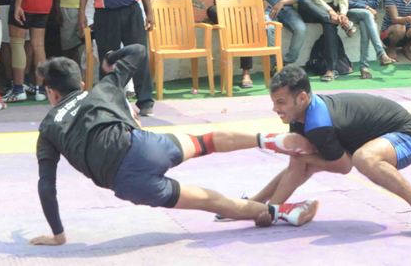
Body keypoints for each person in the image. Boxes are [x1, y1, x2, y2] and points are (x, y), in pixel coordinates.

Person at [28, 45, 318, 246]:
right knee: (207, 141)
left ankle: (280, 212)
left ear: (52, 93)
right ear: (80, 83)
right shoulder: (101, 88)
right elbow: (138, 51)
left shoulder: (48, 128)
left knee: (211, 202)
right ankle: (268, 140)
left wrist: (58, 235)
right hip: (143, 147)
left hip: (127, 181)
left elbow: (46, 185)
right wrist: (111, 58)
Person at [238, 65, 411, 239]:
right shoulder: (300, 117)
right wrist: (266, 208)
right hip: (381, 138)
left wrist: (303, 158)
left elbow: (343, 166)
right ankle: (255, 201)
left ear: (302, 98)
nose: (275, 108)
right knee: (303, 159)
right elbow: (295, 170)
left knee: (363, 158)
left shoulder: (318, 124)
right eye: (274, 102)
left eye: (281, 102)